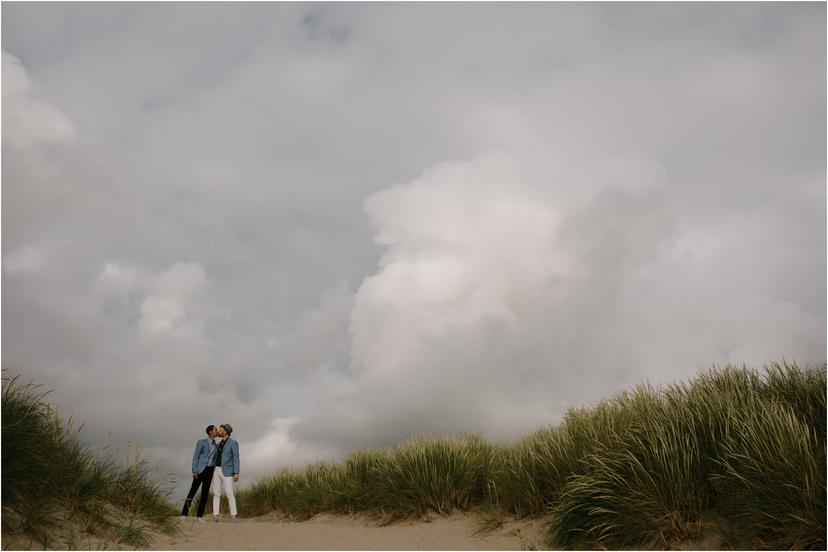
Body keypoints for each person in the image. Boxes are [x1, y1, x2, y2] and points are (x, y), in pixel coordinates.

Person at [181, 424, 219, 522]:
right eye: (215, 430)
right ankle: (183, 514)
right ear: (210, 432)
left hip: (210, 470)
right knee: (192, 492)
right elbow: (196, 456)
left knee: (205, 493)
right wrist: (194, 470)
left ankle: (199, 516)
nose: (216, 431)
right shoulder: (202, 442)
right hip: (200, 470)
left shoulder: (216, 445)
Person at [211, 423, 240, 522]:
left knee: (229, 493)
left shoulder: (233, 443)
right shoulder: (218, 444)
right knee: (216, 493)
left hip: (227, 471)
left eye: (221, 429)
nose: (219, 431)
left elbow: (236, 458)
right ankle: (215, 515)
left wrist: (236, 472)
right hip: (216, 470)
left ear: (226, 431)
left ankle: (234, 516)